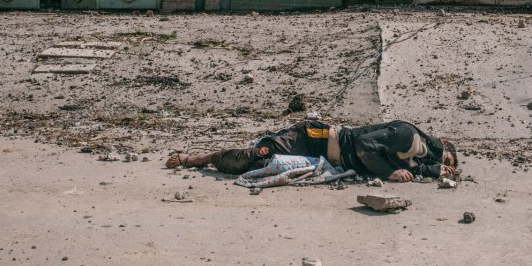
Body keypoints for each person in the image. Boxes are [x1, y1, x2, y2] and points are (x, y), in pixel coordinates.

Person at [168, 118, 458, 183]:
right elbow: (365, 146)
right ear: (441, 145)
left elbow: (398, 163)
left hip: (325, 157)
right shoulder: (409, 135)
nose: (442, 162)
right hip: (315, 137)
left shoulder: (418, 154)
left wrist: (431, 171)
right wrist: (390, 171)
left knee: (258, 167)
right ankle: (197, 159)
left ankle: (201, 159)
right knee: (256, 157)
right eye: (446, 158)